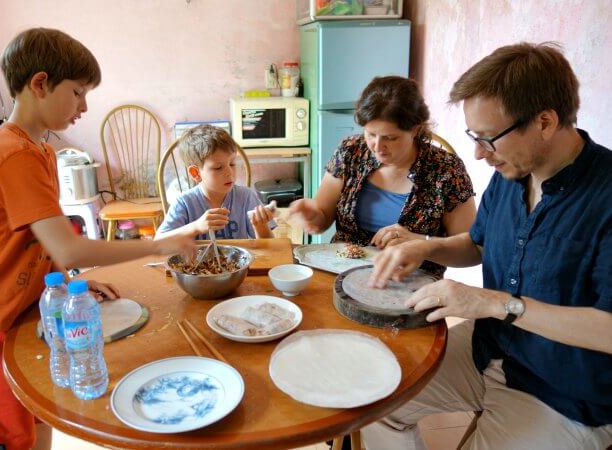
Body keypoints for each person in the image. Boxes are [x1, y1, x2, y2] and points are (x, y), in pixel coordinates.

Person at [0, 28, 194, 450]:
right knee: (5, 437)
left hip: (23, 304)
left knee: (38, 417)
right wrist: (161, 243)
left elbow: (45, 241)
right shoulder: (13, 152)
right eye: (78, 92)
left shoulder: (40, 150)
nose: (83, 106)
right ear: (40, 83)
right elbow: (68, 243)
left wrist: (70, 275)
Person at [366, 43, 612, 449]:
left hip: (566, 393)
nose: (478, 154)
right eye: (472, 137)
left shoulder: (604, 197)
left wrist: (496, 304)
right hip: (490, 350)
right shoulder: (512, 171)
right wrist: (427, 247)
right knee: (376, 404)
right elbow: (478, 245)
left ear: (545, 121)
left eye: (487, 138)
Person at [288, 76, 476, 277]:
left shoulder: (446, 170)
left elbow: (471, 252)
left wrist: (422, 243)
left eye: (390, 138)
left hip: (411, 285)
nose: (377, 147)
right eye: (370, 134)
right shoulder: (351, 152)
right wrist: (312, 215)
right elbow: (322, 219)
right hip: (342, 273)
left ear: (415, 129)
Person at [155, 124, 275, 240]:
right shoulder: (184, 203)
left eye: (232, 164)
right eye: (218, 168)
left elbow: (269, 247)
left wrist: (261, 226)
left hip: (238, 259)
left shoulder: (246, 197)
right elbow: (158, 243)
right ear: (195, 173)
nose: (229, 172)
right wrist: (195, 227)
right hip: (197, 261)